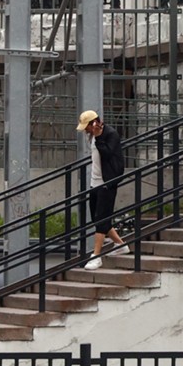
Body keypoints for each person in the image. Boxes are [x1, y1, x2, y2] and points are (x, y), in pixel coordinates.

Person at [77, 110, 127, 269]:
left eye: (87, 127)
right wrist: (95, 137)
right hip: (95, 182)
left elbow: (107, 154)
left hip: (108, 181)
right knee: (97, 218)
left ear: (94, 123)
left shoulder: (110, 134)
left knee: (101, 219)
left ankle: (96, 256)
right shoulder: (92, 136)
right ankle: (121, 245)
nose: (85, 130)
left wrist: (99, 137)